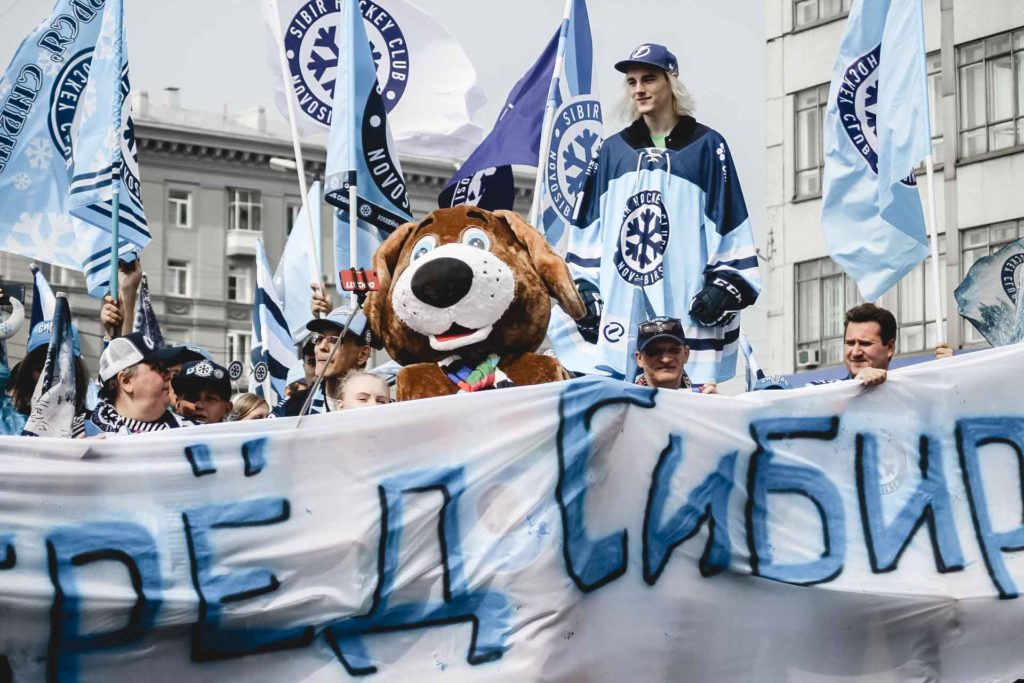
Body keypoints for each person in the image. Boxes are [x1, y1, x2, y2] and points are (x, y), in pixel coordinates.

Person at [557, 43, 761, 387]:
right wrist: (584, 288)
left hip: (685, 295)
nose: (639, 89)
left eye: (648, 79)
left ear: (671, 79)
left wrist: (725, 284)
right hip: (622, 302)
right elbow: (587, 231)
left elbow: (730, 221)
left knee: (687, 402)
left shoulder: (707, 146)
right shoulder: (611, 152)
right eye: (632, 82)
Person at [75, 332, 194, 436]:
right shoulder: (80, 431)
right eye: (158, 368)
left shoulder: (193, 432)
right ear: (126, 381)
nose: (169, 375)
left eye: (167, 369)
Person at [821, 303, 954, 387]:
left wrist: (952, 376)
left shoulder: (912, 392)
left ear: (890, 348)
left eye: (865, 343)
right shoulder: (819, 390)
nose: (855, 352)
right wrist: (855, 385)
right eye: (850, 343)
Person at [279, 304, 373, 415]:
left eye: (335, 340)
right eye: (319, 338)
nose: (322, 347)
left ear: (362, 354)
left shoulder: (379, 406)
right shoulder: (294, 405)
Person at [10, 319, 89, 419]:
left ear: (77, 371)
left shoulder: (92, 427)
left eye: (60, 367)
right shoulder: (11, 426)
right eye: (40, 368)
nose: (48, 377)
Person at [633, 316, 717, 393]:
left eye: (674, 351)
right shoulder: (626, 404)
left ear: (686, 353)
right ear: (639, 359)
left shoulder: (703, 401)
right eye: (654, 352)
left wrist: (715, 407)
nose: (665, 360)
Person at [171, 360, 233, 425]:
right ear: (177, 403)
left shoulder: (240, 434)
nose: (199, 406)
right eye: (191, 397)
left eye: (210, 399)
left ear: (227, 409)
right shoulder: (163, 434)